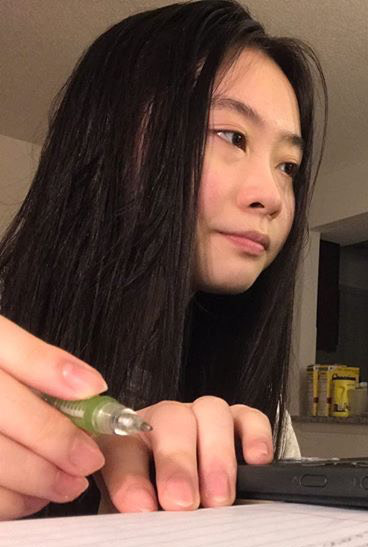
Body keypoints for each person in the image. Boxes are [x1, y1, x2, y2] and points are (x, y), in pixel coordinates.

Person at [0, 0, 326, 520]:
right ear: (110, 135)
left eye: (289, 165)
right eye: (232, 136)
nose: (274, 196)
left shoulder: (264, 414)